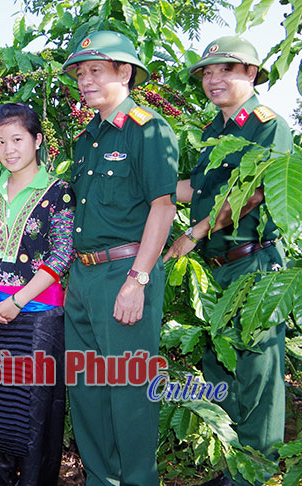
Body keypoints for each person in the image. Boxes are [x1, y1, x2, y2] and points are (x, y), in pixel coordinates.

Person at [164, 36, 293, 486]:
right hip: (219, 268)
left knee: (257, 371)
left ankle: (258, 473)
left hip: (254, 263)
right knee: (224, 368)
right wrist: (143, 187)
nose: (213, 79)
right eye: (207, 72)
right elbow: (195, 191)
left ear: (252, 74)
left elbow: (253, 191)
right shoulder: (216, 132)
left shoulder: (266, 124)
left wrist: (193, 233)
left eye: (226, 70)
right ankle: (236, 467)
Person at [61, 31, 178, 485]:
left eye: (96, 70)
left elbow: (162, 206)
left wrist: (139, 279)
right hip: (84, 276)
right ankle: (100, 479)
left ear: (124, 72)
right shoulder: (88, 137)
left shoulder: (148, 127)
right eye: (80, 73)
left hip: (125, 273)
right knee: (87, 390)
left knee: (129, 392)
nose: (85, 80)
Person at [0, 102, 75, 486]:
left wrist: (19, 300)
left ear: (37, 140)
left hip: (39, 314)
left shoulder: (58, 191)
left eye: (17, 139)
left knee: (34, 406)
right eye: (0, 141)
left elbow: (62, 253)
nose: (9, 149)